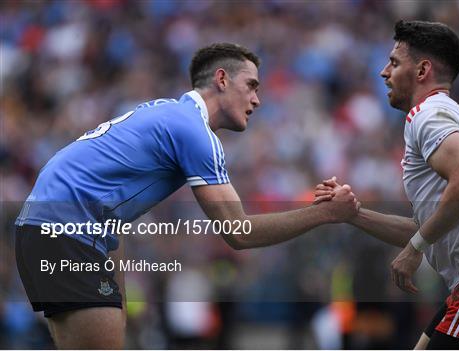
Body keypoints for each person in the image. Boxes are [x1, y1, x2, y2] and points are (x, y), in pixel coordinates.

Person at [15, 43, 359, 349]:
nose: (257, 99)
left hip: (45, 228)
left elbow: (106, 213)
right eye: (251, 86)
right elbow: (238, 233)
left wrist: (116, 298)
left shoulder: (167, 114)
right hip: (66, 231)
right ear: (221, 80)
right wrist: (324, 213)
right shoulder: (194, 131)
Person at [315, 20, 459, 349]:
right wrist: (353, 214)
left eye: (393, 62)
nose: (383, 72)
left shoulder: (427, 115)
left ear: (422, 70)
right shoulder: (453, 115)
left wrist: (414, 249)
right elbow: (428, 229)